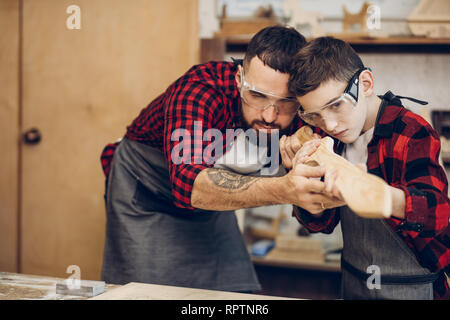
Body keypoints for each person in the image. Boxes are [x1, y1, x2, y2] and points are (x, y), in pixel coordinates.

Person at [99, 26, 337, 291]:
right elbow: (187, 185)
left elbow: (323, 222)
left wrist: (313, 182)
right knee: (143, 294)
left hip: (212, 202)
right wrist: (285, 189)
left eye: (285, 102)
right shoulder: (199, 89)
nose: (270, 116)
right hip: (147, 198)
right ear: (239, 79)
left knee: (235, 291)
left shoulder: (304, 114)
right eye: (257, 96)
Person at [285, 36, 450, 299]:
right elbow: (322, 225)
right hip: (354, 282)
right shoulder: (329, 140)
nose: (329, 125)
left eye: (336, 105)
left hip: (412, 286)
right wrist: (302, 185)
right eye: (314, 114)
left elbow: (438, 214)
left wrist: (382, 197)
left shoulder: (411, 131)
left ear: (365, 83)